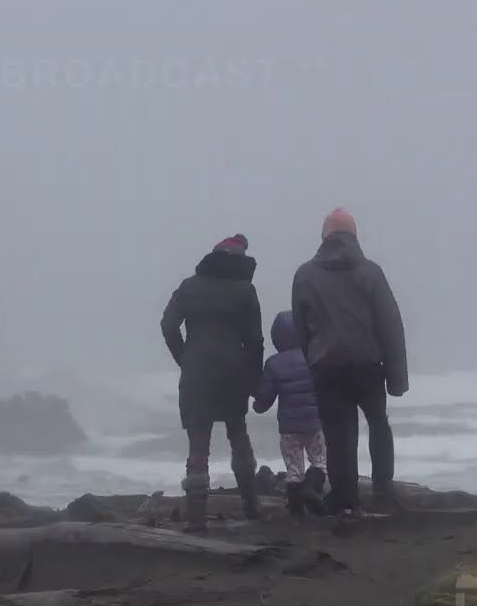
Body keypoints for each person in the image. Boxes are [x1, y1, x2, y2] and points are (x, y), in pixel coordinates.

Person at [291, 208, 407, 530]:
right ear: (354, 236)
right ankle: (383, 489)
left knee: (339, 437)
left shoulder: (305, 274)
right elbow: (390, 325)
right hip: (368, 366)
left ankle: (345, 502)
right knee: (378, 424)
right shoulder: (371, 273)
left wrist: (311, 358)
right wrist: (397, 378)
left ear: (324, 236)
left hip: (327, 367)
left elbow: (301, 326)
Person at [160, 234, 265, 533]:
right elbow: (255, 341)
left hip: (197, 372)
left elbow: (168, 325)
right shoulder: (245, 290)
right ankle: (251, 509)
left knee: (198, 444)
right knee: (238, 434)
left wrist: (185, 358)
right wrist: (255, 381)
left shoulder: (189, 286)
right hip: (233, 371)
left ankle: (196, 520)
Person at [252, 310, 327, 518]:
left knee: (294, 470)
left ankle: (296, 512)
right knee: (319, 461)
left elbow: (266, 396)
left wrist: (258, 405)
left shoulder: (273, 363)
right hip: (314, 423)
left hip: (289, 427)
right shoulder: (313, 357)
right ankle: (311, 490)